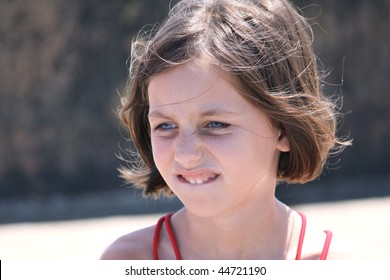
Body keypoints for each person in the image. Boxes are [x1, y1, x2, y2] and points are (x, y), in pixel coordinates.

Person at [101, 0, 352, 260]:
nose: (185, 154)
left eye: (215, 125)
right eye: (165, 126)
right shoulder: (126, 261)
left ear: (284, 129)